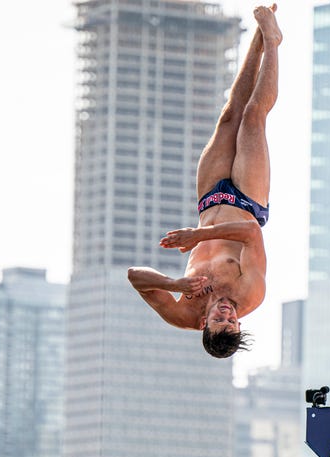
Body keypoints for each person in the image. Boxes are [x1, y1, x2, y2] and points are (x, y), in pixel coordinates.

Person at [127, 4, 281, 358]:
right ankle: (272, 41)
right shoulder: (250, 295)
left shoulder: (182, 311)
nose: (228, 313)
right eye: (233, 321)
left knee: (230, 115)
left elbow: (136, 276)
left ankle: (258, 36)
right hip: (246, 201)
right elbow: (250, 235)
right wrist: (198, 236)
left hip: (209, 201)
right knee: (253, 118)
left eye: (220, 320)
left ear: (202, 324)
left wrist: (173, 284)